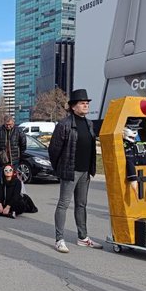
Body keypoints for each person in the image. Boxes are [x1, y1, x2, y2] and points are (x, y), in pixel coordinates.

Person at [48, 89, 100, 253]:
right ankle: (59, 239)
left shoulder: (89, 123)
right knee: (63, 204)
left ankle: (83, 237)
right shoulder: (64, 125)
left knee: (81, 204)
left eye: (87, 103)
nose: (86, 105)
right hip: (70, 171)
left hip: (85, 171)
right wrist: (60, 169)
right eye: (82, 103)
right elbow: (53, 150)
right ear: (73, 107)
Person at [0, 115, 27, 197]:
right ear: (4, 123)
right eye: (6, 124)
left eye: (10, 124)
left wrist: (19, 155)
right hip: (1, 160)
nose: (8, 126)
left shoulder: (19, 131)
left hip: (14, 160)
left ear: (13, 123)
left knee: (13, 179)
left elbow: (23, 145)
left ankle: (12, 197)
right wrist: (0, 152)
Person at [123, 126, 146, 198]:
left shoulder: (141, 145)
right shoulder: (122, 145)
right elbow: (129, 160)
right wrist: (133, 179)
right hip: (126, 180)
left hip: (142, 181)